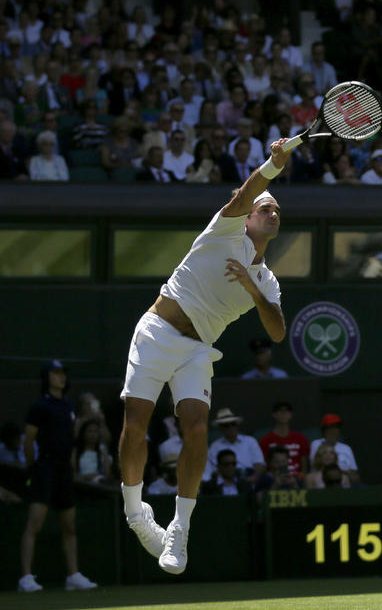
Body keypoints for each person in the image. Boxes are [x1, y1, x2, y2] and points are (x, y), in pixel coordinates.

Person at [117, 137, 291, 574]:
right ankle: (136, 514)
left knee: (196, 429)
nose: (272, 214)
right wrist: (272, 165)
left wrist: (252, 288)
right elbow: (245, 192)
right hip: (157, 333)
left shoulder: (267, 280)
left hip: (197, 349)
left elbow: (277, 331)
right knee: (136, 424)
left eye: (276, 212)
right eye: (265, 209)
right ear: (247, 217)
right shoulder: (224, 228)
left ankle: (180, 527)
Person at [19, 360, 99, 592]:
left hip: (64, 471)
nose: (61, 377)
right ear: (47, 378)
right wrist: (33, 466)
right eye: (56, 373)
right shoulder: (39, 406)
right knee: (34, 524)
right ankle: (25, 578)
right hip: (43, 469)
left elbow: (71, 439)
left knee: (69, 527)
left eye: (63, 373)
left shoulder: (68, 405)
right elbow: (28, 440)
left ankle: (73, 575)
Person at [204, 408, 266, 485]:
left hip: (249, 476)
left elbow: (259, 464)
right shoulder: (215, 446)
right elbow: (214, 470)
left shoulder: (250, 441)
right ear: (221, 428)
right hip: (226, 479)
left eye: (233, 424)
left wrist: (254, 477)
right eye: (226, 425)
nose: (230, 428)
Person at [258, 401, 310, 476]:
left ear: (291, 415)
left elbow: (304, 467)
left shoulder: (300, 438)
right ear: (274, 415)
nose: (284, 413)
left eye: (287, 411)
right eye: (280, 411)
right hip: (274, 479)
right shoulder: (266, 440)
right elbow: (264, 465)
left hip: (296, 479)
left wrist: (301, 479)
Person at [307, 414, 360, 485]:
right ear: (324, 429)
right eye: (330, 427)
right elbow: (316, 466)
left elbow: (354, 474)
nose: (333, 430)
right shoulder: (316, 444)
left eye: (336, 427)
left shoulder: (346, 448)